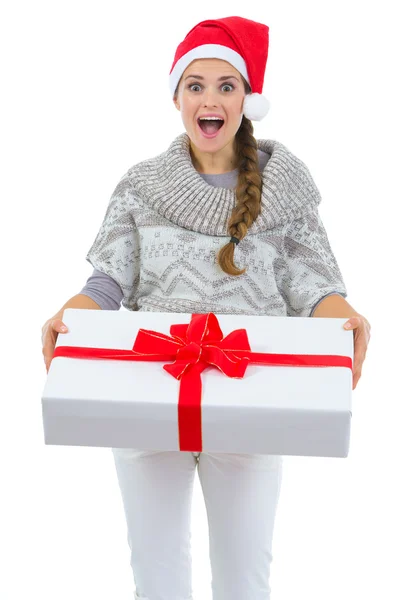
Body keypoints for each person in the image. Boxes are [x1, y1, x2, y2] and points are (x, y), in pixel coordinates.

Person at [41, 16, 371, 600]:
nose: (210, 98)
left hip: (253, 395)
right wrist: (68, 316)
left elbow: (312, 284)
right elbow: (107, 282)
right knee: (157, 574)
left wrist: (346, 317)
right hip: (149, 392)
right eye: (195, 85)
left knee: (245, 578)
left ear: (248, 98)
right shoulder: (142, 184)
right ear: (176, 97)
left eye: (226, 84)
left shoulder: (285, 188)